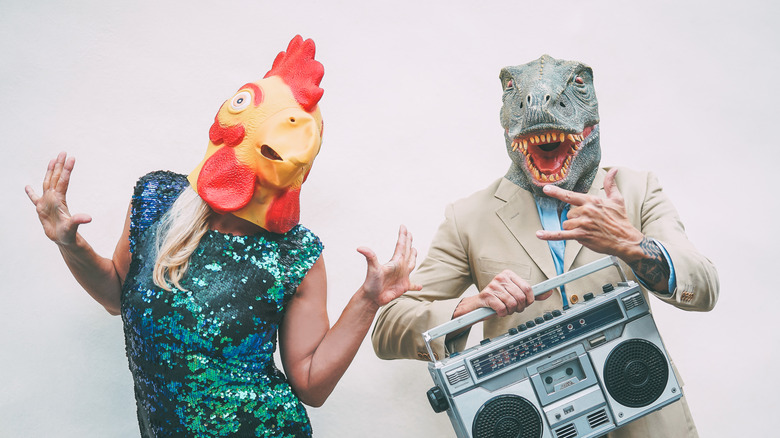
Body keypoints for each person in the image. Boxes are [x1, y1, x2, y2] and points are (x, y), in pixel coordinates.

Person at [25, 36, 420, 438]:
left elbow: (310, 383)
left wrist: (368, 300)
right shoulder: (158, 200)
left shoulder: (295, 255)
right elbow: (118, 296)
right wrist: (69, 244)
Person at [371, 55, 718, 437]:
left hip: (644, 413)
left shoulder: (635, 189)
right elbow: (388, 327)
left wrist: (631, 243)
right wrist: (469, 307)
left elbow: (702, 287)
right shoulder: (467, 217)